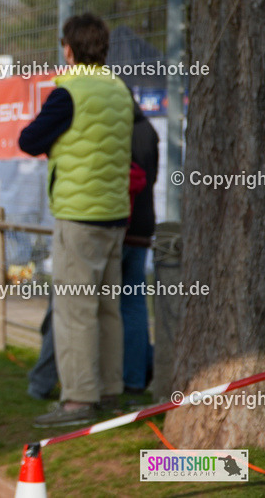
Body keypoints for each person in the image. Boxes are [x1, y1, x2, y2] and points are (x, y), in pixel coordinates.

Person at [19, 13, 133, 427]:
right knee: (107, 309)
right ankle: (109, 392)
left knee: (74, 310)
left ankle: (78, 401)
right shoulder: (120, 89)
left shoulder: (68, 91)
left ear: (68, 47)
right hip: (116, 214)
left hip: (79, 214)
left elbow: (28, 140)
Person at [122, 100, 157, 394]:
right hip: (144, 223)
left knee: (107, 306)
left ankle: (115, 378)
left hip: (120, 223)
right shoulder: (149, 129)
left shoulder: (116, 129)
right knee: (134, 305)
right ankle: (136, 377)